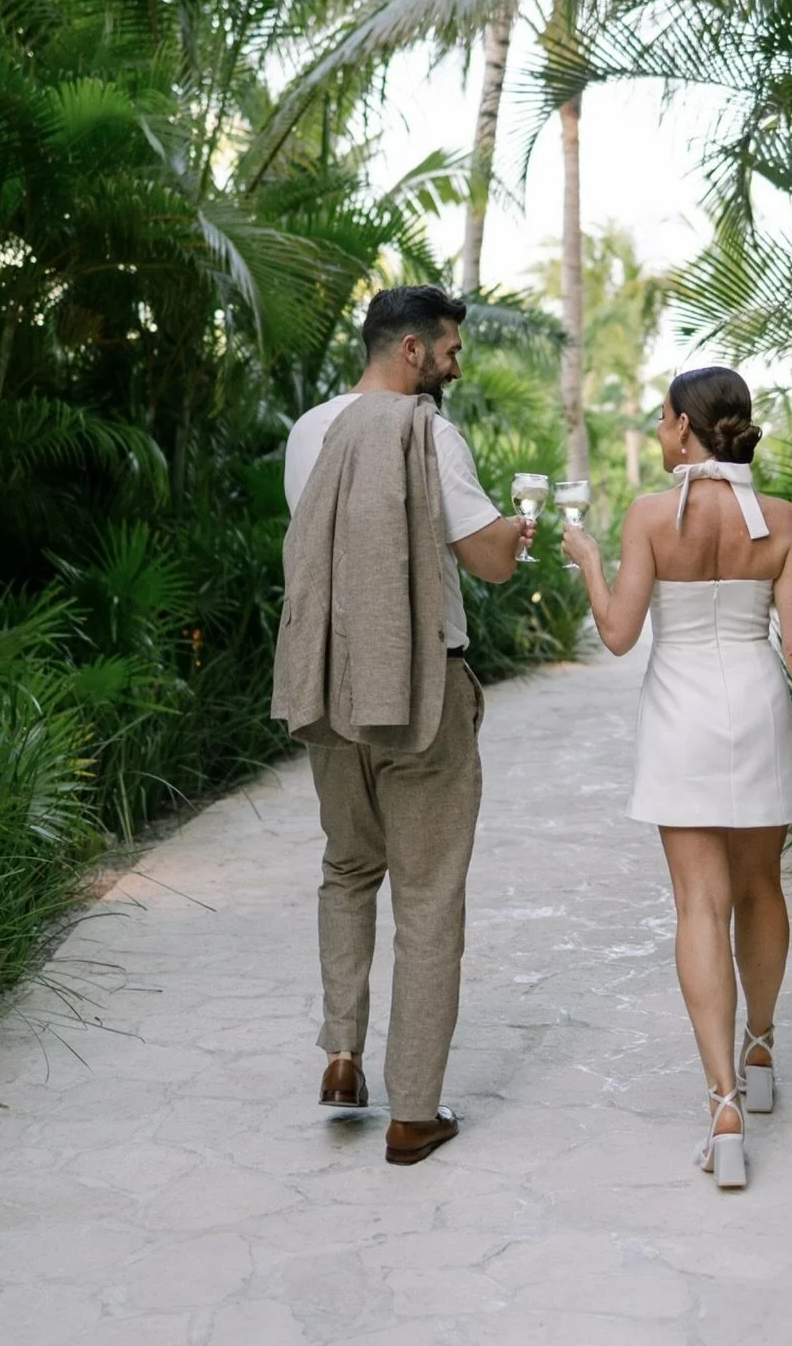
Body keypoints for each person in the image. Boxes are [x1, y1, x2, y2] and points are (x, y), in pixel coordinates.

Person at [559, 366, 792, 1190]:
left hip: (681, 717)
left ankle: (722, 1104)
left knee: (699, 903)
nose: (657, 432)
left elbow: (618, 634)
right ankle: (760, 1048)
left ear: (687, 426)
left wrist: (584, 555)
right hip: (756, 707)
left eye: (662, 418)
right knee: (760, 889)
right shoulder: (784, 520)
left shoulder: (651, 518)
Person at [272, 285, 532, 1166]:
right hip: (421, 694)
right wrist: (520, 529)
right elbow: (488, 560)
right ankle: (414, 1111)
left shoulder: (310, 429)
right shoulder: (426, 431)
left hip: (330, 687)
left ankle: (342, 1054)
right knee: (426, 897)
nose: (457, 366)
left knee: (348, 867)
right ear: (413, 350)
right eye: (451, 350)